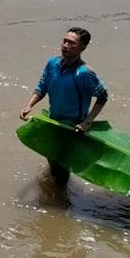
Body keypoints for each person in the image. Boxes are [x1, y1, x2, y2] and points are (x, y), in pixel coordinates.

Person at [19, 27, 109, 185]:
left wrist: (88, 121)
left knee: (61, 174)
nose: (65, 45)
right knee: (52, 163)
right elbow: (42, 87)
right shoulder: (52, 64)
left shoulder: (84, 73)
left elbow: (102, 97)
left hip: (72, 129)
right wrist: (29, 105)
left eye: (71, 43)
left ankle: (62, 204)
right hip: (53, 122)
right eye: (64, 41)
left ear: (83, 47)